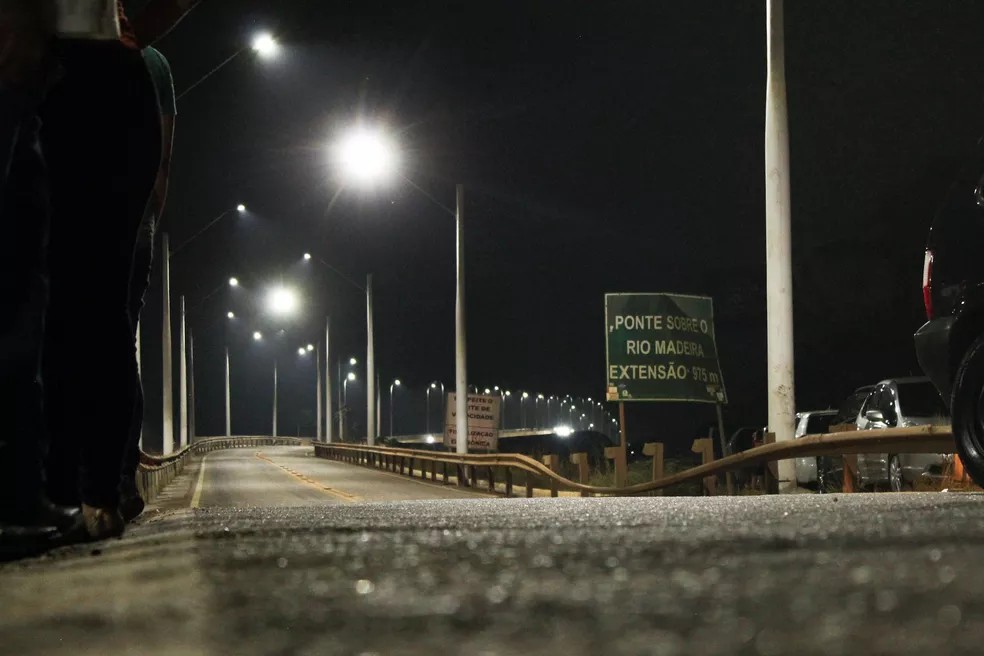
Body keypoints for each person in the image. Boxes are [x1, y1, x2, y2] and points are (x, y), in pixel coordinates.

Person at [41, 0, 163, 539]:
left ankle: (82, 492)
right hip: (72, 77)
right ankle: (76, 491)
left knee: (81, 301)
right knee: (77, 304)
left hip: (76, 78)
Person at [0, 0, 83, 559]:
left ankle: (22, 495)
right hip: (14, 99)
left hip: (23, 104)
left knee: (24, 304)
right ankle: (18, 499)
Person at [120, 44, 176, 522]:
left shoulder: (149, 62)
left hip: (118, 225)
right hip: (134, 224)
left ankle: (110, 479)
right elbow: (164, 163)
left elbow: (162, 165)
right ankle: (114, 480)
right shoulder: (152, 62)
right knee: (117, 341)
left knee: (103, 341)